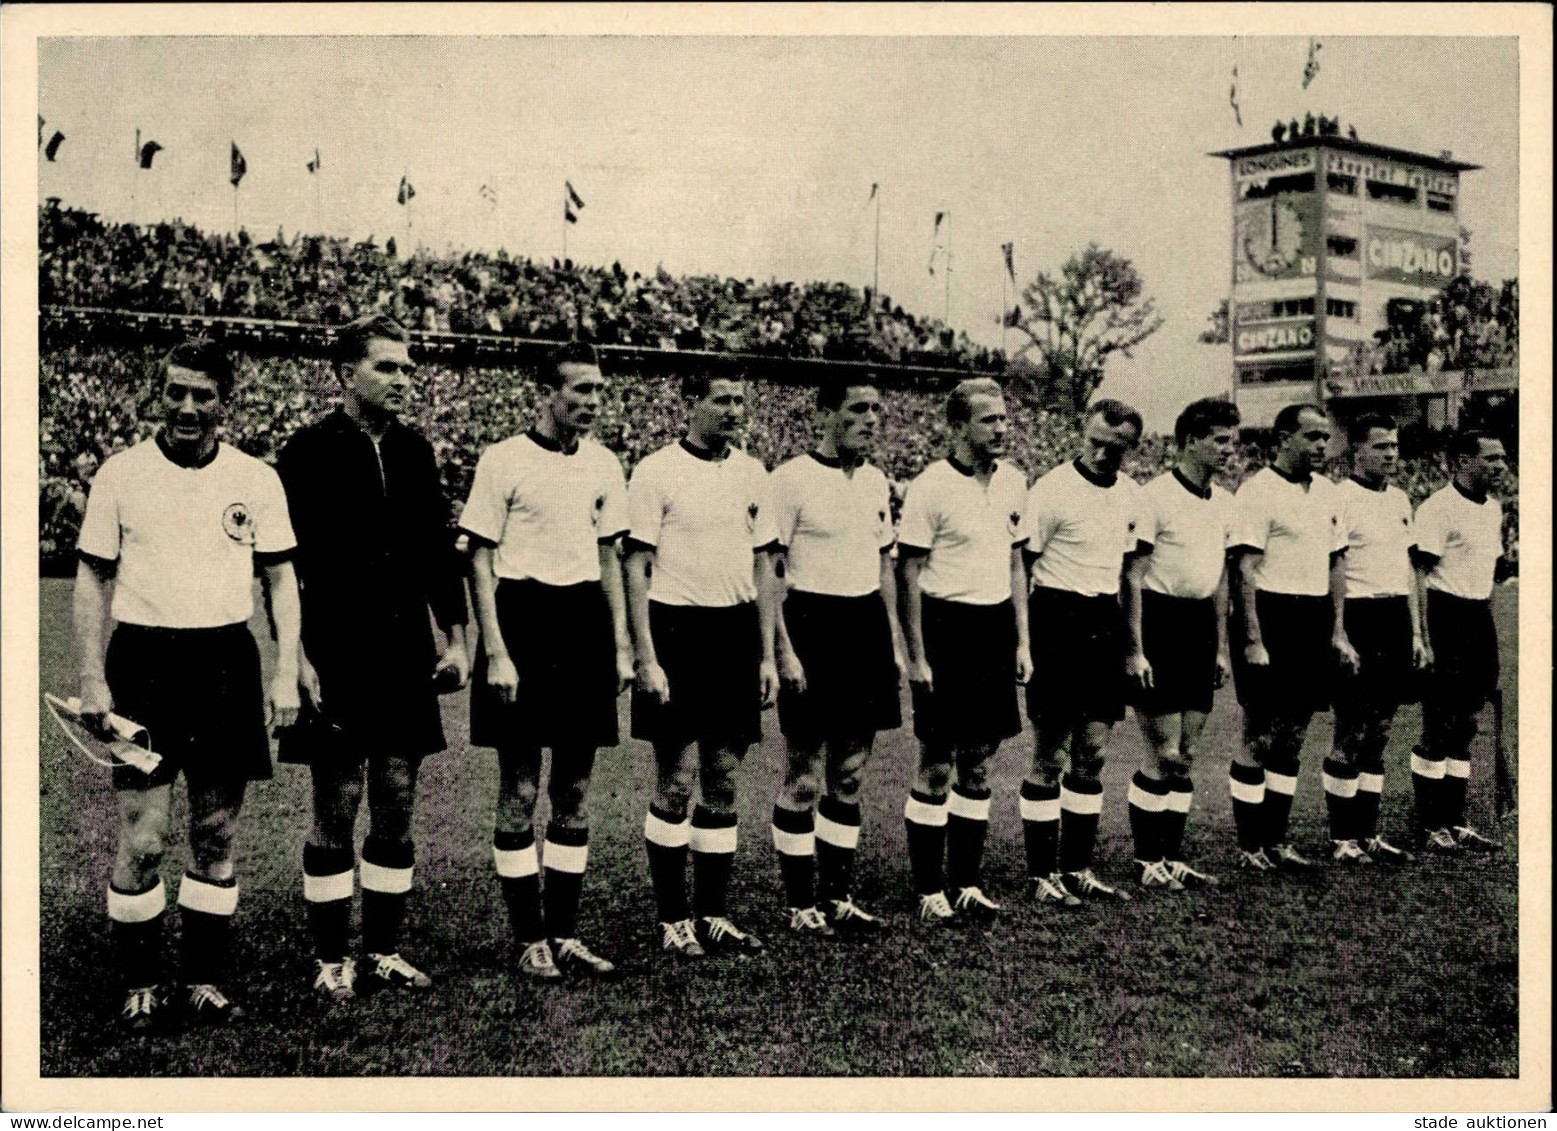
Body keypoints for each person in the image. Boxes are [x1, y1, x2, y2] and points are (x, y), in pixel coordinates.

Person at [75, 339, 300, 1029]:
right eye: (176, 392)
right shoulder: (121, 473)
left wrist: (286, 667)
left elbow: (281, 578)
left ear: (224, 405)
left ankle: (202, 978)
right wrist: (90, 674)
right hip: (142, 662)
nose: (187, 407)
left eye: (203, 395)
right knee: (144, 838)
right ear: (160, 395)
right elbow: (90, 576)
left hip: (226, 663)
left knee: (215, 831)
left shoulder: (256, 478)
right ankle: (140, 981)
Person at [276, 314, 470, 1002]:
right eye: (387, 366)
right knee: (338, 796)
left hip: (401, 648)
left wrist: (456, 635)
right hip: (334, 646)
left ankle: (382, 949)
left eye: (407, 368)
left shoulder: (416, 449)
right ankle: (331, 957)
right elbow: (282, 568)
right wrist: (294, 656)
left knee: (396, 794)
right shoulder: (306, 451)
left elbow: (436, 551)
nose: (402, 379)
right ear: (345, 372)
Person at [460, 341, 634, 980]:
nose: (592, 402)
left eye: (598, 391)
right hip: (523, 623)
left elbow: (610, 557)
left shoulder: (607, 465)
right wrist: (497, 651)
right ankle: (528, 937)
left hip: (583, 621)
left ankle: (565, 934)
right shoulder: (503, 459)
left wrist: (619, 646)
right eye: (580, 390)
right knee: (521, 787)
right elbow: (477, 557)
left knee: (575, 788)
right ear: (548, 393)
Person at [625, 375, 780, 957]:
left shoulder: (752, 472)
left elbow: (765, 566)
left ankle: (713, 914)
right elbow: (636, 565)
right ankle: (672, 920)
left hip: (735, 633)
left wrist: (765, 653)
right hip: (675, 630)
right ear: (690, 404)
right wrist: (646, 655)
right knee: (678, 777)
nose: (735, 410)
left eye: (741, 400)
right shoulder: (655, 470)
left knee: (723, 777)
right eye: (722, 400)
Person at [769, 379, 904, 937]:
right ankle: (800, 903)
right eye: (857, 408)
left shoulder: (877, 481)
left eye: (877, 409)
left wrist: (894, 640)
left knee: (849, 774)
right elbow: (770, 575)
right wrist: (783, 651)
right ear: (825, 412)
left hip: (864, 625)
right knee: (803, 776)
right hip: (809, 625)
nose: (871, 418)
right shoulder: (790, 479)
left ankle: (838, 896)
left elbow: (883, 566)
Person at [897, 377, 1031, 925]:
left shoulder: (1015, 482)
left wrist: (1022, 639)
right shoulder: (930, 486)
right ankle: (929, 887)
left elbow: (1016, 563)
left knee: (980, 762)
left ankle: (967, 883)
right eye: (988, 420)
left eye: (1004, 419)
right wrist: (917, 655)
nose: (1001, 429)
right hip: (946, 626)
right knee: (937, 762)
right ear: (957, 427)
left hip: (994, 626)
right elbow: (907, 574)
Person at [1019, 398, 1150, 905]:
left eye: (1114, 448)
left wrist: (1133, 647)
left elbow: (1127, 576)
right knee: (1049, 753)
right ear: (1082, 433)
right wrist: (1025, 642)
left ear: (1131, 449)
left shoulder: (1131, 496)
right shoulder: (1051, 490)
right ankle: (1041, 874)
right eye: (1093, 442)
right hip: (1055, 618)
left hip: (1103, 622)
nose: (1100, 454)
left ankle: (1077, 868)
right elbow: (1023, 566)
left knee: (1092, 752)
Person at [1227, 404, 1357, 872]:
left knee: (1294, 735)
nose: (1323, 446)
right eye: (1313, 437)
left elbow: (1336, 565)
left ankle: (1276, 841)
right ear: (1284, 439)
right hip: (1271, 614)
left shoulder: (1329, 494)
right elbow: (1244, 570)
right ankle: (1250, 845)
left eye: (1326, 437)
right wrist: (1253, 639)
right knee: (1260, 734)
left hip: (1313, 616)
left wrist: (1338, 631)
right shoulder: (1257, 491)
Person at [1124, 398, 1240, 892]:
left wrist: (1219, 647)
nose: (1228, 450)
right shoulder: (1154, 497)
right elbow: (1132, 576)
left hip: (1199, 629)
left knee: (1188, 752)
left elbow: (1219, 581)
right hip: (1159, 623)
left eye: (1232, 441)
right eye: (1219, 440)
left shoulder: (1226, 502)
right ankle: (1148, 858)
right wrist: (1135, 648)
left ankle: (1171, 855)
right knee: (1164, 751)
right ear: (1190, 440)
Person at [1323, 413, 1425, 865]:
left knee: (1381, 729)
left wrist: (1418, 631)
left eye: (1395, 446)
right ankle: (1342, 837)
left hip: (1394, 618)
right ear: (1357, 450)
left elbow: (1406, 568)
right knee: (1351, 728)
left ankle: (1368, 833)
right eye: (1381, 446)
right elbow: (1335, 568)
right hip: (1358, 616)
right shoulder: (1340, 498)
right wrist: (1339, 630)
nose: (1391, 454)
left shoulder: (1401, 499)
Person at [1409, 429, 1512, 854]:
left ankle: (1456, 820)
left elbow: (1491, 573)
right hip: (1444, 615)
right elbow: (1418, 575)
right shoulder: (1438, 508)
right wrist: (1422, 636)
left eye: (1503, 457)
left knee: (1467, 723)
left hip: (1477, 618)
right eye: (1491, 458)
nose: (1501, 465)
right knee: (1439, 722)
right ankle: (1431, 824)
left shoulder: (1494, 508)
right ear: (1463, 462)